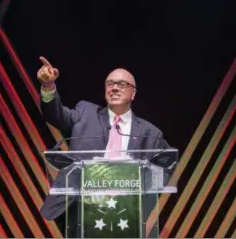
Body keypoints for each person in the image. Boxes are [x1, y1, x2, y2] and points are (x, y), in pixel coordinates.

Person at [37, 56, 169, 225]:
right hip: (78, 209)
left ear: (133, 93)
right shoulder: (85, 112)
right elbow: (56, 115)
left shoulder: (150, 133)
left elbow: (161, 174)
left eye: (122, 84)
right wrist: (48, 86)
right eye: (110, 83)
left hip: (123, 215)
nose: (114, 88)